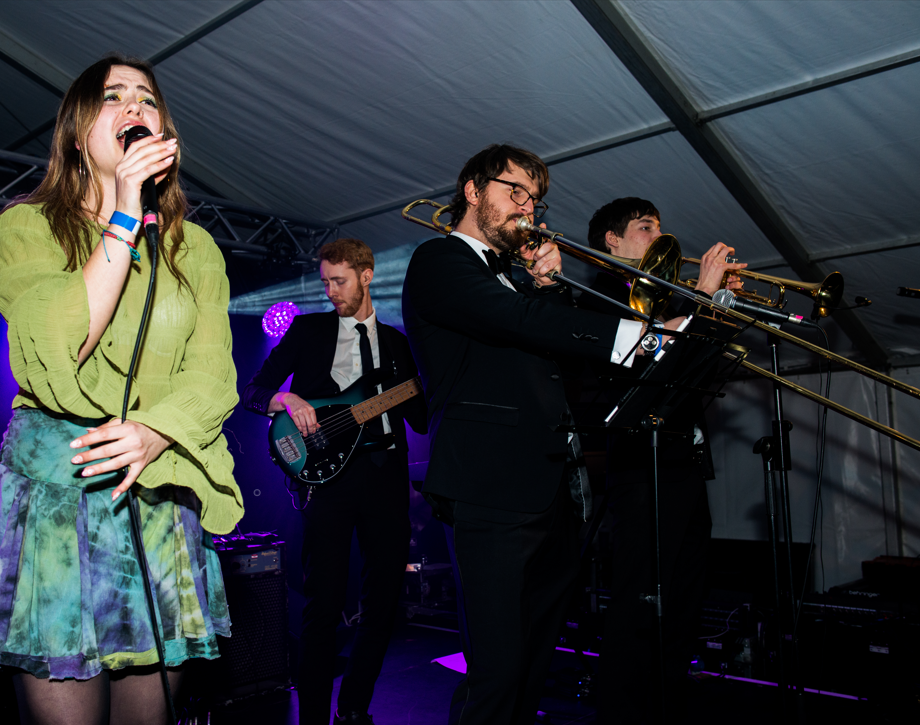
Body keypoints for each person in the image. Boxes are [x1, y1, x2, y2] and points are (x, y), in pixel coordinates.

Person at [0, 55, 243, 725]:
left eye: (146, 98)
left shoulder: (199, 252)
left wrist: (156, 431)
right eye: (111, 96)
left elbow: (214, 376)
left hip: (157, 499)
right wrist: (123, 217)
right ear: (75, 133)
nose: (133, 105)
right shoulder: (27, 228)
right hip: (55, 505)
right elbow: (56, 349)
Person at [401, 144, 664, 725]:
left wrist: (549, 288)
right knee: (496, 671)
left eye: (535, 199)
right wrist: (633, 334)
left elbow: (560, 356)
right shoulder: (438, 260)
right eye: (514, 191)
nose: (528, 207)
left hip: (550, 490)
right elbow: (514, 322)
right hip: (488, 489)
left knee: (531, 666)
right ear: (473, 190)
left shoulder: (518, 281)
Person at [242, 238, 427, 725]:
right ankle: (314, 718)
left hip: (386, 478)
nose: (330, 291)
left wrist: (432, 387)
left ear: (366, 277)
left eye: (338, 280)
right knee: (323, 602)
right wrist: (288, 401)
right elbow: (254, 390)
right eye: (325, 281)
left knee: (384, 601)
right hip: (327, 480)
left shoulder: (399, 345)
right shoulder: (308, 330)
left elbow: (423, 421)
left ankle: (354, 709)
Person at [581, 198, 741, 723]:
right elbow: (637, 355)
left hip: (684, 459)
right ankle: (622, 711)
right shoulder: (599, 293)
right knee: (639, 595)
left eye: (658, 225)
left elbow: (692, 363)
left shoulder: (664, 293)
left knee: (686, 592)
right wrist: (700, 298)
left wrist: (716, 310)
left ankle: (667, 700)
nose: (658, 236)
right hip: (638, 463)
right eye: (645, 227)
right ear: (611, 239)